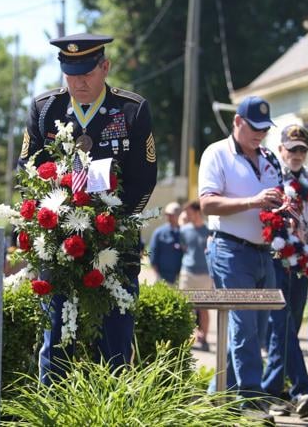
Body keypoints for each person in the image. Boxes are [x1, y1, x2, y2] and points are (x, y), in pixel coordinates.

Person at [19, 33, 157, 385]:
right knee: (55, 340)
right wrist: (58, 224)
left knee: (114, 342)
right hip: (58, 243)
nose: (78, 82)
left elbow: (145, 180)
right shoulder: (45, 109)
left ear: (105, 67)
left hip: (114, 244)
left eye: (87, 73)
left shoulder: (131, 109)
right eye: (70, 73)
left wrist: (109, 224)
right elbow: (28, 171)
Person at [198, 95, 282, 421]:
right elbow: (207, 204)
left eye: (265, 128)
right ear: (237, 122)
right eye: (254, 127)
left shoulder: (270, 159)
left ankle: (216, 399)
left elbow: (275, 201)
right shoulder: (216, 153)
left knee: (254, 331)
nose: (260, 134)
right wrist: (254, 201)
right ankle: (251, 404)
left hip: (264, 253)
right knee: (245, 329)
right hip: (230, 251)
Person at [261, 124, 308, 417]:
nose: (296, 154)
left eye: (301, 149)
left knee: (288, 328)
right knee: (281, 324)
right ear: (281, 149)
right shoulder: (271, 177)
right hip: (275, 259)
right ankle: (302, 389)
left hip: (304, 261)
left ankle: (268, 393)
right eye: (291, 148)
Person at [178, 200, 212, 351]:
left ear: (198, 212)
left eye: (190, 213)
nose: (187, 215)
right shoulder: (184, 230)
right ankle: (188, 337)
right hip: (187, 273)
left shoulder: (209, 230)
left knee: (204, 308)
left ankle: (203, 337)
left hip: (205, 274)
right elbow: (185, 248)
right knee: (186, 307)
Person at [148, 202, 183, 285]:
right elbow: (153, 254)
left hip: (181, 277)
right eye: (167, 215)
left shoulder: (185, 231)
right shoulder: (159, 233)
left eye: (171, 215)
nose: (169, 217)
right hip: (163, 277)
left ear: (179, 215)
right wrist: (157, 274)